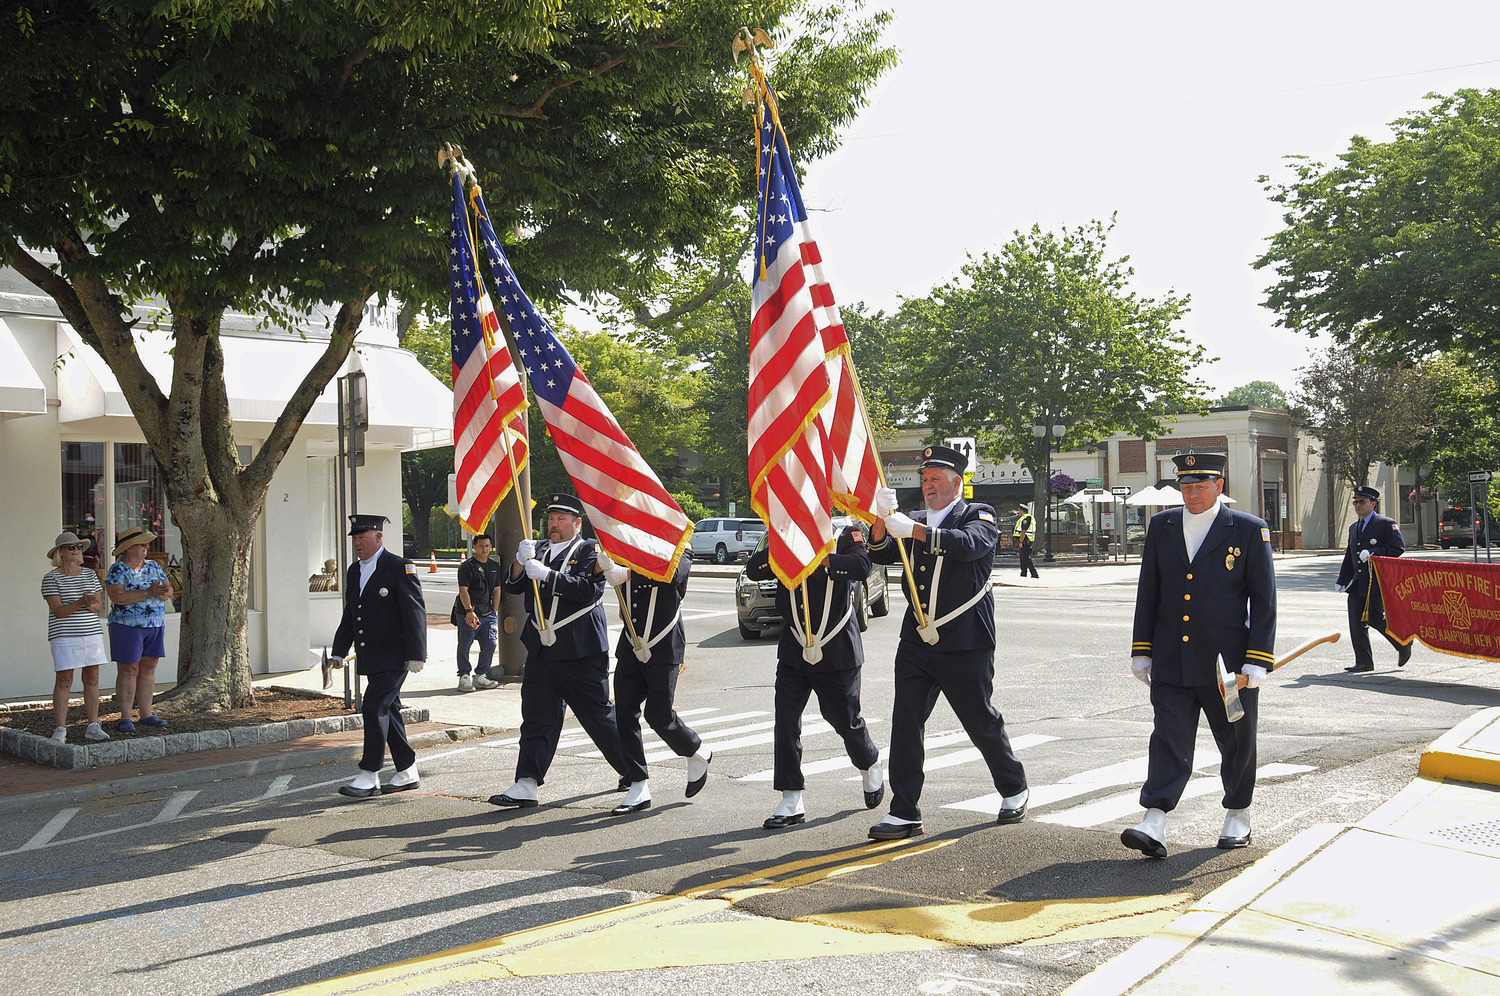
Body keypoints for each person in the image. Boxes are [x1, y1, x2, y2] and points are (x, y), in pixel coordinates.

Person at [866, 445, 1029, 840]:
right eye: (924, 480)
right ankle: (904, 811)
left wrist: (914, 530)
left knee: (979, 720)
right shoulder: (914, 517)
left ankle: (1014, 787)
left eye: (936, 479)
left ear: (957, 483)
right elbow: (882, 551)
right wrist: (878, 518)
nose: (928, 486)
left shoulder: (978, 514)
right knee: (905, 723)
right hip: (917, 640)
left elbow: (970, 545)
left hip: (965, 638)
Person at [1122, 453, 1277, 858]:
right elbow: (1149, 591)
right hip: (1172, 657)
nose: (1191, 494)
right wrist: (1142, 650)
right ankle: (1154, 818)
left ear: (1219, 487)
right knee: (1168, 736)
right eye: (1186, 487)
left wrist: (1257, 659)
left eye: (1200, 486)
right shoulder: (1163, 525)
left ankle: (1238, 814)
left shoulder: (1247, 529)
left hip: (1226, 666)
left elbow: (1263, 601)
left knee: (1236, 740)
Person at [491, 494, 648, 812]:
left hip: (580, 649)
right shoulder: (540, 549)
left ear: (577, 523)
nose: (554, 524)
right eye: (551, 518)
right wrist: (521, 563)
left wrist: (549, 576)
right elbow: (513, 586)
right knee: (537, 717)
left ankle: (633, 774)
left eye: (561, 519)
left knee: (598, 716)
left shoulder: (589, 550)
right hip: (541, 650)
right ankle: (527, 783)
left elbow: (590, 589)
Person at [745, 524, 883, 829]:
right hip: (795, 648)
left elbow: (862, 566)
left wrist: (822, 559)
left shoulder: (844, 534)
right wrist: (784, 550)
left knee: (843, 719)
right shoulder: (785, 537)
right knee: (786, 720)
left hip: (836, 649)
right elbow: (754, 569)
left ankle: (869, 761)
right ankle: (790, 797)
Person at [597, 547, 714, 806]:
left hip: (664, 643)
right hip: (631, 643)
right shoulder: (625, 546)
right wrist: (604, 566)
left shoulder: (681, 547)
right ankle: (638, 783)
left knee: (659, 715)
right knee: (624, 713)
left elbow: (672, 574)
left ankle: (695, 749)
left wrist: (627, 574)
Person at [329, 514, 428, 798]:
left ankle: (369, 774)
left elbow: (414, 612)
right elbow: (351, 613)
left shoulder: (399, 567)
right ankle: (407, 770)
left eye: (363, 538)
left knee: (374, 707)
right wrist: (339, 650)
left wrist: (417, 654)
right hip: (370, 654)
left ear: (379, 537)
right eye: (355, 539)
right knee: (389, 710)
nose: (358, 544)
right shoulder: (354, 570)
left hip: (396, 655)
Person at [42, 531, 111, 744]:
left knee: (92, 679)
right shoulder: (51, 578)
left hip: (90, 633)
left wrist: (91, 604)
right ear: (60, 552)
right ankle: (61, 728)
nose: (76, 551)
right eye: (71, 547)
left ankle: (93, 724)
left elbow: (99, 606)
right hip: (64, 635)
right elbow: (58, 611)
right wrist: (82, 602)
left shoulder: (90, 575)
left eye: (79, 547)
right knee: (64, 680)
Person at [105, 526, 174, 733]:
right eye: (141, 544)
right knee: (128, 669)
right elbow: (117, 597)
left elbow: (168, 588)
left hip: (154, 624)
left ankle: (146, 713)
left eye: (146, 544)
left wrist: (164, 592)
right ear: (128, 548)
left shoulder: (154, 566)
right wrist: (147, 592)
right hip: (126, 626)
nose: (146, 547)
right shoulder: (118, 569)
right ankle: (126, 716)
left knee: (148, 668)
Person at [1336, 485, 1410, 673]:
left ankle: (1402, 644)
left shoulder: (1385, 523)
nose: (1358, 505)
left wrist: (1374, 553)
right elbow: (1350, 555)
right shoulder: (1354, 527)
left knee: (1376, 618)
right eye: (1355, 502)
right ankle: (1364, 661)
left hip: (1376, 582)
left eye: (1362, 502)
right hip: (1357, 582)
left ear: (1373, 504)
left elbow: (1397, 548)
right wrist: (1343, 579)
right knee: (1355, 622)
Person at [455, 534, 502, 691]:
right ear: (475, 546)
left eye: (488, 546)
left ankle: (480, 675)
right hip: (469, 613)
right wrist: (469, 610)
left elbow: (497, 590)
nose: (485, 549)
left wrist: (493, 612)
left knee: (490, 643)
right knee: (465, 645)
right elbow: (463, 590)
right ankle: (464, 676)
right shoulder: (467, 567)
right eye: (481, 546)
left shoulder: (494, 567)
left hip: (487, 613)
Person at [1013, 503, 1039, 579]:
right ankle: (1023, 572)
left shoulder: (1026, 518)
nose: (1018, 512)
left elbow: (1024, 531)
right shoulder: (1024, 517)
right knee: (1022, 557)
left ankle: (1034, 573)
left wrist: (1021, 541)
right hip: (1024, 539)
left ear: (1022, 511)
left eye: (1019, 510)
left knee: (1026, 557)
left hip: (1025, 540)